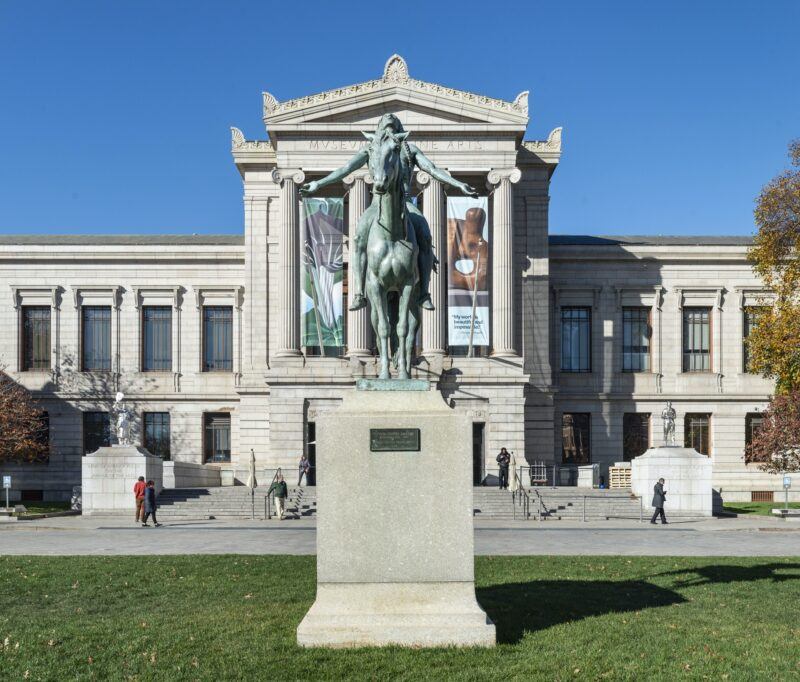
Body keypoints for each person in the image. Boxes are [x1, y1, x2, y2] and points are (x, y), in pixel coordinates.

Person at [300, 112, 478, 312]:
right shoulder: (371, 149)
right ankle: (359, 293)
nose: (389, 120)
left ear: (399, 128)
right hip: (377, 203)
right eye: (385, 121)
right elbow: (345, 169)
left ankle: (424, 293)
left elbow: (433, 169)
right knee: (358, 238)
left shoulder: (409, 149)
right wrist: (318, 184)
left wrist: (458, 184)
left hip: (405, 203)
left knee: (425, 235)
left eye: (393, 121)